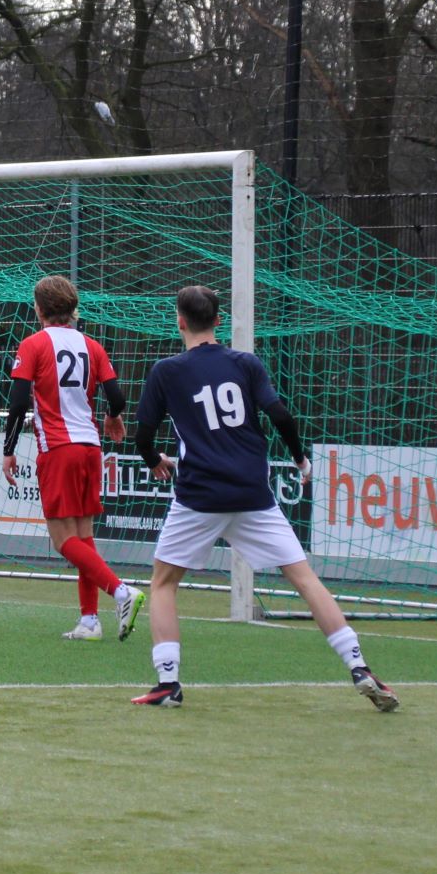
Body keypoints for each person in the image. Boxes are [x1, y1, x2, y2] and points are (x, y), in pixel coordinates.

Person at [132, 285, 399, 711]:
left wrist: (154, 461)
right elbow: (280, 416)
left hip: (199, 496)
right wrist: (300, 460)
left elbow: (142, 435)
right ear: (218, 321)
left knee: (163, 584)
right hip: (252, 493)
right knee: (305, 578)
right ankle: (358, 666)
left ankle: (168, 683)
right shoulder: (246, 363)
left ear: (180, 320)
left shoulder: (167, 371)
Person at [0, 274, 144, 643]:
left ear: (39, 309)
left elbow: (18, 403)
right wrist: (113, 418)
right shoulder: (91, 346)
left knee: (63, 540)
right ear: (71, 307)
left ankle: (121, 591)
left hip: (59, 449)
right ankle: (90, 621)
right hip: (90, 448)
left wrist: (9, 450)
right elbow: (117, 397)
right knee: (83, 537)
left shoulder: (33, 344)